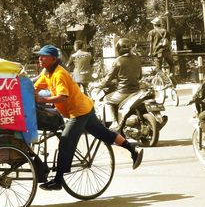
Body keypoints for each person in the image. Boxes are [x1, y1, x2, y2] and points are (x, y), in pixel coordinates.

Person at [34, 44, 144, 191]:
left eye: (43, 56)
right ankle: (133, 150)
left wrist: (43, 100)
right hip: (85, 107)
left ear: (53, 59)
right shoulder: (47, 73)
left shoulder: (59, 74)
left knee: (66, 142)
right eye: (39, 55)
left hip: (78, 112)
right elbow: (35, 86)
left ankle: (58, 181)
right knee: (103, 133)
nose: (40, 58)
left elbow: (62, 96)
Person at [98, 38, 142, 130]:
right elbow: (140, 75)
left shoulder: (118, 61)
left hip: (123, 91)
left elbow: (108, 78)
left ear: (118, 49)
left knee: (106, 99)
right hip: (137, 91)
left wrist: (100, 85)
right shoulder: (137, 58)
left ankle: (114, 123)